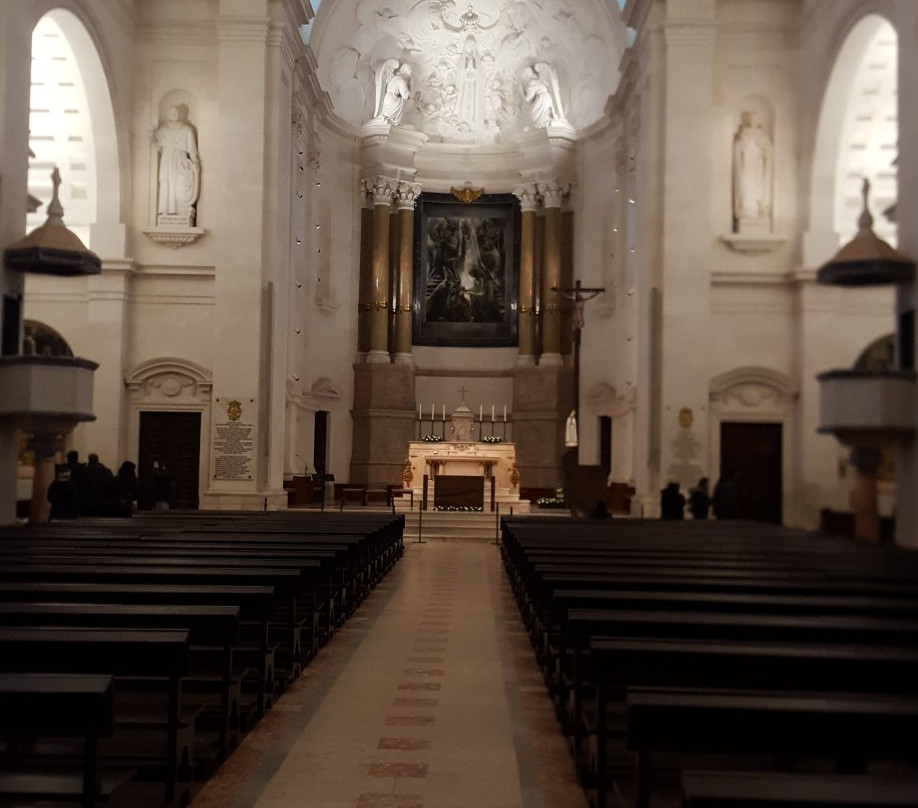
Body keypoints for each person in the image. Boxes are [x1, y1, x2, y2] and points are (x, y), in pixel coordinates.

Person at [154, 105, 200, 224]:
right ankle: (165, 211)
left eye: (176, 111)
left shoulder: (186, 130)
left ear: (180, 114)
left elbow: (192, 149)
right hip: (167, 159)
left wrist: (195, 162)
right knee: (166, 182)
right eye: (171, 111)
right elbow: (157, 146)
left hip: (180, 159)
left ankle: (181, 211)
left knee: (178, 182)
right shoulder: (162, 130)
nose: (174, 114)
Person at [732, 110, 773, 225]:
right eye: (750, 118)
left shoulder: (763, 136)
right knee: (746, 186)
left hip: (758, 166)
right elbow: (737, 151)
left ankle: (760, 208)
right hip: (746, 165)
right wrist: (741, 147)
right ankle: (746, 209)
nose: (753, 121)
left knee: (759, 186)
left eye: (755, 118)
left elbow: (769, 153)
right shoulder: (741, 135)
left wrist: (764, 150)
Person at [373, 59, 412, 126]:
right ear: (405, 73)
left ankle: (385, 118)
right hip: (393, 98)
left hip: (387, 97)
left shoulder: (395, 78)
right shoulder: (401, 80)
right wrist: (411, 92)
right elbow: (405, 95)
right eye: (409, 76)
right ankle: (393, 121)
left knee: (387, 113)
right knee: (401, 101)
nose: (408, 78)